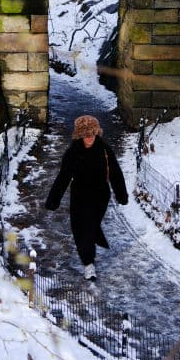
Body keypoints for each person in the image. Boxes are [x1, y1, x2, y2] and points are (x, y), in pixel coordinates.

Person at [44, 115, 128, 281]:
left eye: (92, 134)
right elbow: (63, 177)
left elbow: (116, 173)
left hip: (100, 196)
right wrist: (54, 199)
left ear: (97, 133)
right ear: (79, 135)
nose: (89, 138)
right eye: (85, 135)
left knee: (91, 226)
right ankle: (89, 264)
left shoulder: (104, 149)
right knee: (82, 230)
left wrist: (121, 195)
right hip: (80, 196)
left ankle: (92, 240)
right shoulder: (73, 152)